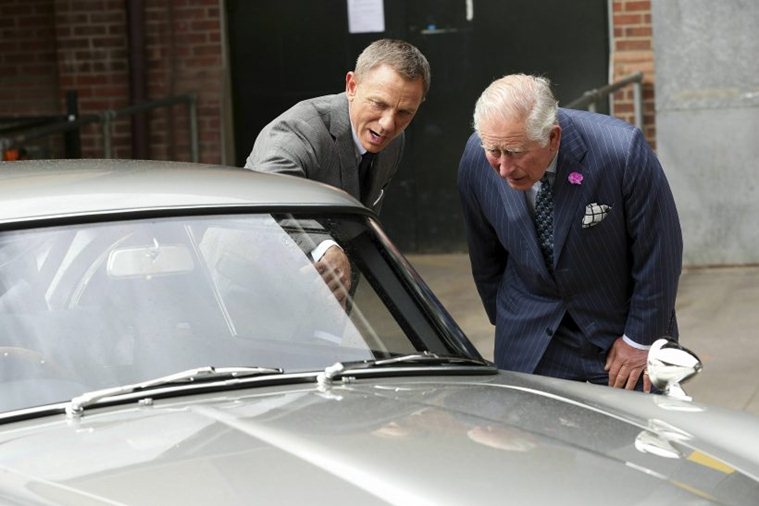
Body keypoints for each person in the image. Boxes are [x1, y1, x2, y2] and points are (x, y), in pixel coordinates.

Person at [457, 74, 682, 392]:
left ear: (553, 138)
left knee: (639, 437)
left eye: (516, 152)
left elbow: (660, 253)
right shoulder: (474, 159)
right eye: (494, 150)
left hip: (619, 337)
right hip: (531, 340)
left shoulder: (621, 152)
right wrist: (511, 320)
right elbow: (484, 254)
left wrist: (640, 341)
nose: (503, 168)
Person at [245, 38, 430, 305]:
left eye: (404, 112)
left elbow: (358, 228)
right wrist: (324, 246)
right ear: (352, 86)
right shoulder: (298, 130)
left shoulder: (393, 142)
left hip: (320, 298)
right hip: (249, 292)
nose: (389, 124)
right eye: (379, 104)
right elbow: (268, 195)